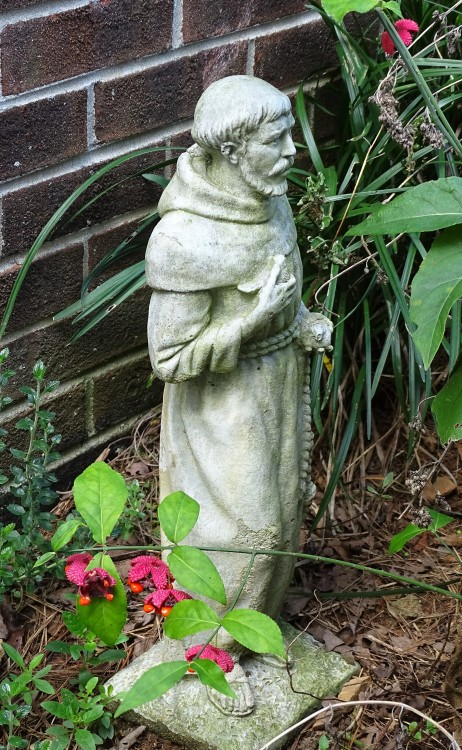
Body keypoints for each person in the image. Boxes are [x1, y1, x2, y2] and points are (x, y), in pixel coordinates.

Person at [146, 75, 332, 716]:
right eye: (275, 142)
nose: (290, 153)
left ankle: (254, 630)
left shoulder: (269, 202)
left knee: (279, 513)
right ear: (231, 151)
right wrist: (253, 324)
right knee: (236, 532)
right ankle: (210, 651)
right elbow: (168, 360)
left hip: (274, 386)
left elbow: (283, 287)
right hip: (222, 409)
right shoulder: (185, 243)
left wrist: (301, 321)